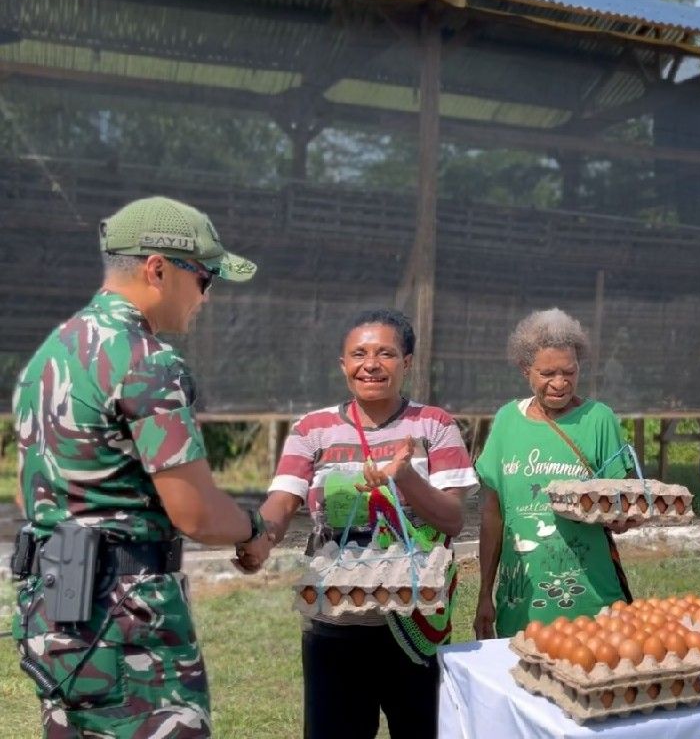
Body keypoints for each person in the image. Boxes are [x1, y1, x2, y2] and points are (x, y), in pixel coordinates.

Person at [10, 195, 269, 738]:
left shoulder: (48, 357)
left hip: (56, 615)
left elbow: (27, 496)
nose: (206, 295)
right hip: (128, 629)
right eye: (206, 277)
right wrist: (254, 529)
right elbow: (195, 512)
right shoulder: (146, 361)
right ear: (158, 269)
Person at [250, 309, 477, 738]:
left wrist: (406, 475)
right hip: (335, 623)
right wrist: (257, 536)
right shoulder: (312, 429)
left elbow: (452, 518)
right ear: (343, 364)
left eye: (386, 353)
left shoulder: (434, 425)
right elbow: (281, 502)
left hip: (414, 622)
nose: (371, 364)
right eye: (359, 354)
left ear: (406, 363)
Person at [473, 308, 632, 639]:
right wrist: (484, 593)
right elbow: (493, 515)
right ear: (525, 369)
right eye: (547, 374)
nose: (560, 384)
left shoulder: (598, 419)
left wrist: (624, 517)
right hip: (522, 604)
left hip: (591, 603)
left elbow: (625, 502)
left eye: (569, 372)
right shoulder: (506, 421)